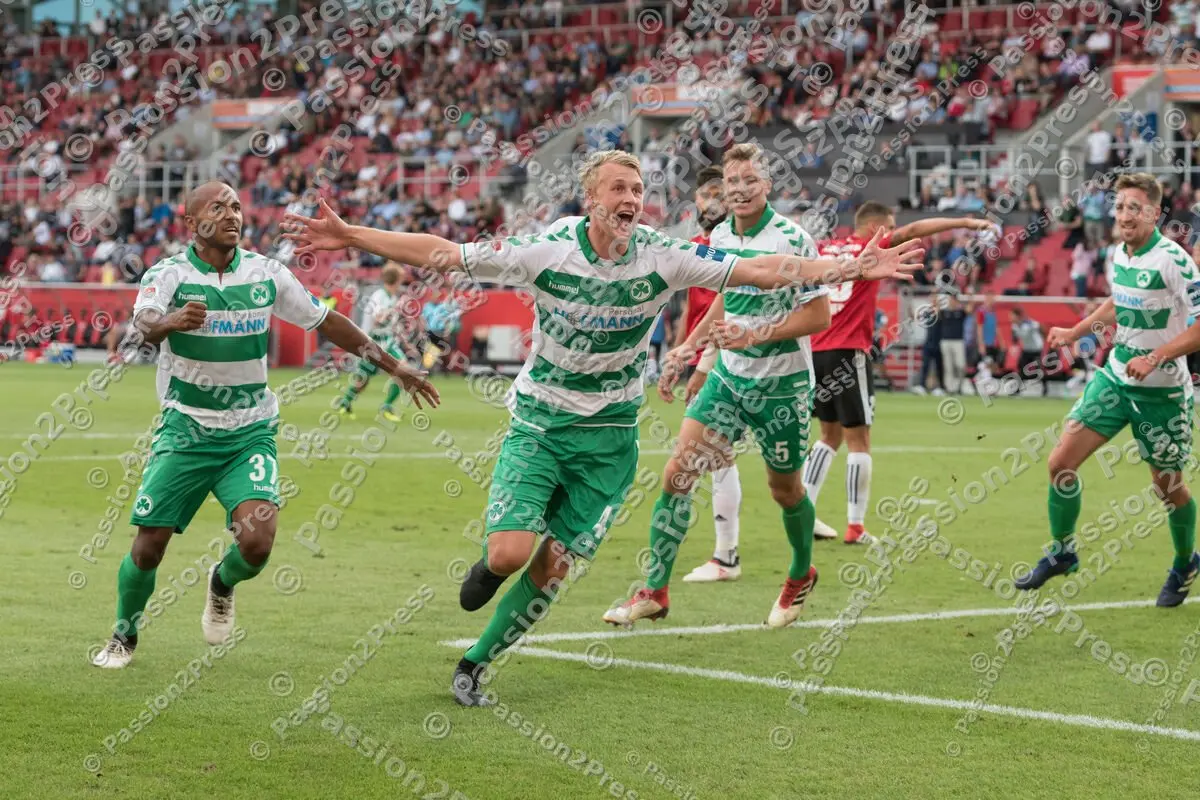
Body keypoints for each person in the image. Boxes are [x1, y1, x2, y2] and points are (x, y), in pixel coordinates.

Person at [283, 150, 926, 705]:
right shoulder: (548, 248)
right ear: (590, 199)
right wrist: (356, 237)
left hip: (611, 438)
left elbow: (759, 270)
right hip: (539, 421)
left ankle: (474, 664)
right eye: (618, 188)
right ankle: (491, 568)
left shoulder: (664, 255)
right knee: (508, 555)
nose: (632, 198)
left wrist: (842, 270)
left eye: (639, 190)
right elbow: (446, 254)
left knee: (555, 567)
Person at [92, 182, 438, 669]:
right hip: (187, 428)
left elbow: (327, 322)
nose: (232, 214)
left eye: (236, 206)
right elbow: (144, 323)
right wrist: (172, 321)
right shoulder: (168, 273)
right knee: (150, 545)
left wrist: (394, 364)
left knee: (256, 543)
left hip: (249, 430)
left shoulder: (266, 273)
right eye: (218, 207)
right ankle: (123, 636)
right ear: (191, 222)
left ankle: (222, 582)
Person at [602, 143, 830, 629]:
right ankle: (655, 591)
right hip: (728, 379)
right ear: (723, 189)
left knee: (785, 491)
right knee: (677, 476)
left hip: (783, 388)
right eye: (733, 182)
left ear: (768, 184)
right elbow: (727, 298)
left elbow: (819, 314)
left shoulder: (793, 238)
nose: (741, 189)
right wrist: (689, 348)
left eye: (751, 180)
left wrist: (758, 334)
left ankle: (799, 574)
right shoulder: (721, 234)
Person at [1016, 173, 1200, 606]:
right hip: (1116, 377)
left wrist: (1156, 358)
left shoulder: (1175, 261)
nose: (1124, 215)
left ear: (1154, 213)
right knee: (1061, 461)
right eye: (1119, 207)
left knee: (1167, 486)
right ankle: (1063, 552)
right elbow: (1117, 303)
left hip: (1161, 393)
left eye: (1134, 207)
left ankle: (1184, 561)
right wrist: (1076, 330)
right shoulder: (1119, 253)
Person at [805, 203, 996, 543]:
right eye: (889, 226)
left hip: (815, 350)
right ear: (877, 227)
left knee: (828, 435)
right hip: (849, 351)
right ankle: (855, 526)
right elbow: (914, 231)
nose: (894, 233)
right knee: (859, 440)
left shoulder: (825, 248)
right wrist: (966, 221)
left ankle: (803, 513)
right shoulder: (871, 247)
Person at [674, 165, 746, 583]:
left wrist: (703, 363)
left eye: (718, 191)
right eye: (705, 194)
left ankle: (727, 557)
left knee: (715, 451)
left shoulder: (733, 246)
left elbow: (729, 307)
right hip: (709, 354)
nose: (710, 200)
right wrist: (684, 352)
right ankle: (726, 554)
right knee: (716, 451)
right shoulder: (700, 245)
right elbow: (694, 306)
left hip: (731, 355)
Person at [337, 263, 414, 422]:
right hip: (374, 342)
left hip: (386, 340)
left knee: (401, 371)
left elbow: (391, 324)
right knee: (365, 378)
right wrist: (392, 311)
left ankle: (355, 404)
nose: (402, 281)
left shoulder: (391, 297)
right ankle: (349, 403)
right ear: (396, 279)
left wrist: (406, 343)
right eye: (401, 278)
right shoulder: (380, 296)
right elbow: (378, 319)